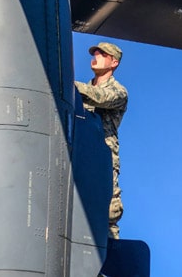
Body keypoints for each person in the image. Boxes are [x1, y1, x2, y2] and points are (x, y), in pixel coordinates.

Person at [74, 42, 128, 239]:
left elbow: (101, 97)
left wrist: (68, 85)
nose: (95, 56)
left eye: (102, 54)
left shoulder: (119, 91)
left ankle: (108, 254)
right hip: (79, 153)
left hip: (103, 156)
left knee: (107, 211)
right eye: (95, 53)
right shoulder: (81, 89)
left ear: (113, 62)